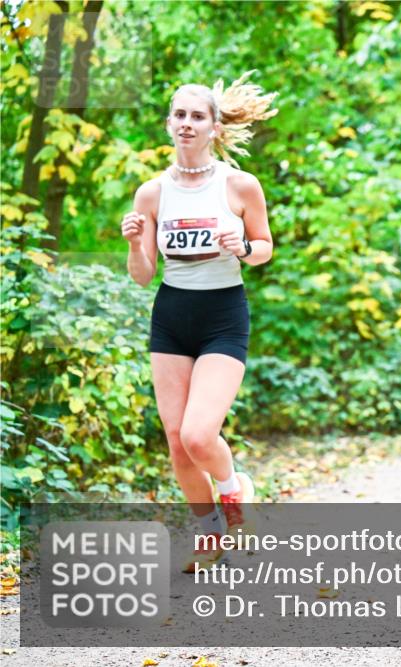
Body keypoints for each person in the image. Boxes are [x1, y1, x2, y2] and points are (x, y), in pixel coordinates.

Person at [121, 72, 276, 573]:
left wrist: (244, 247)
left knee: (198, 435)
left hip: (223, 315)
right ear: (169, 124)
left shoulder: (239, 185)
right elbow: (144, 275)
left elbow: (265, 248)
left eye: (197, 116)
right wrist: (132, 242)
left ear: (214, 126)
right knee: (174, 437)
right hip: (171, 316)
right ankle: (210, 535)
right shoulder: (152, 194)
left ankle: (235, 492)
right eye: (179, 115)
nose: (187, 124)